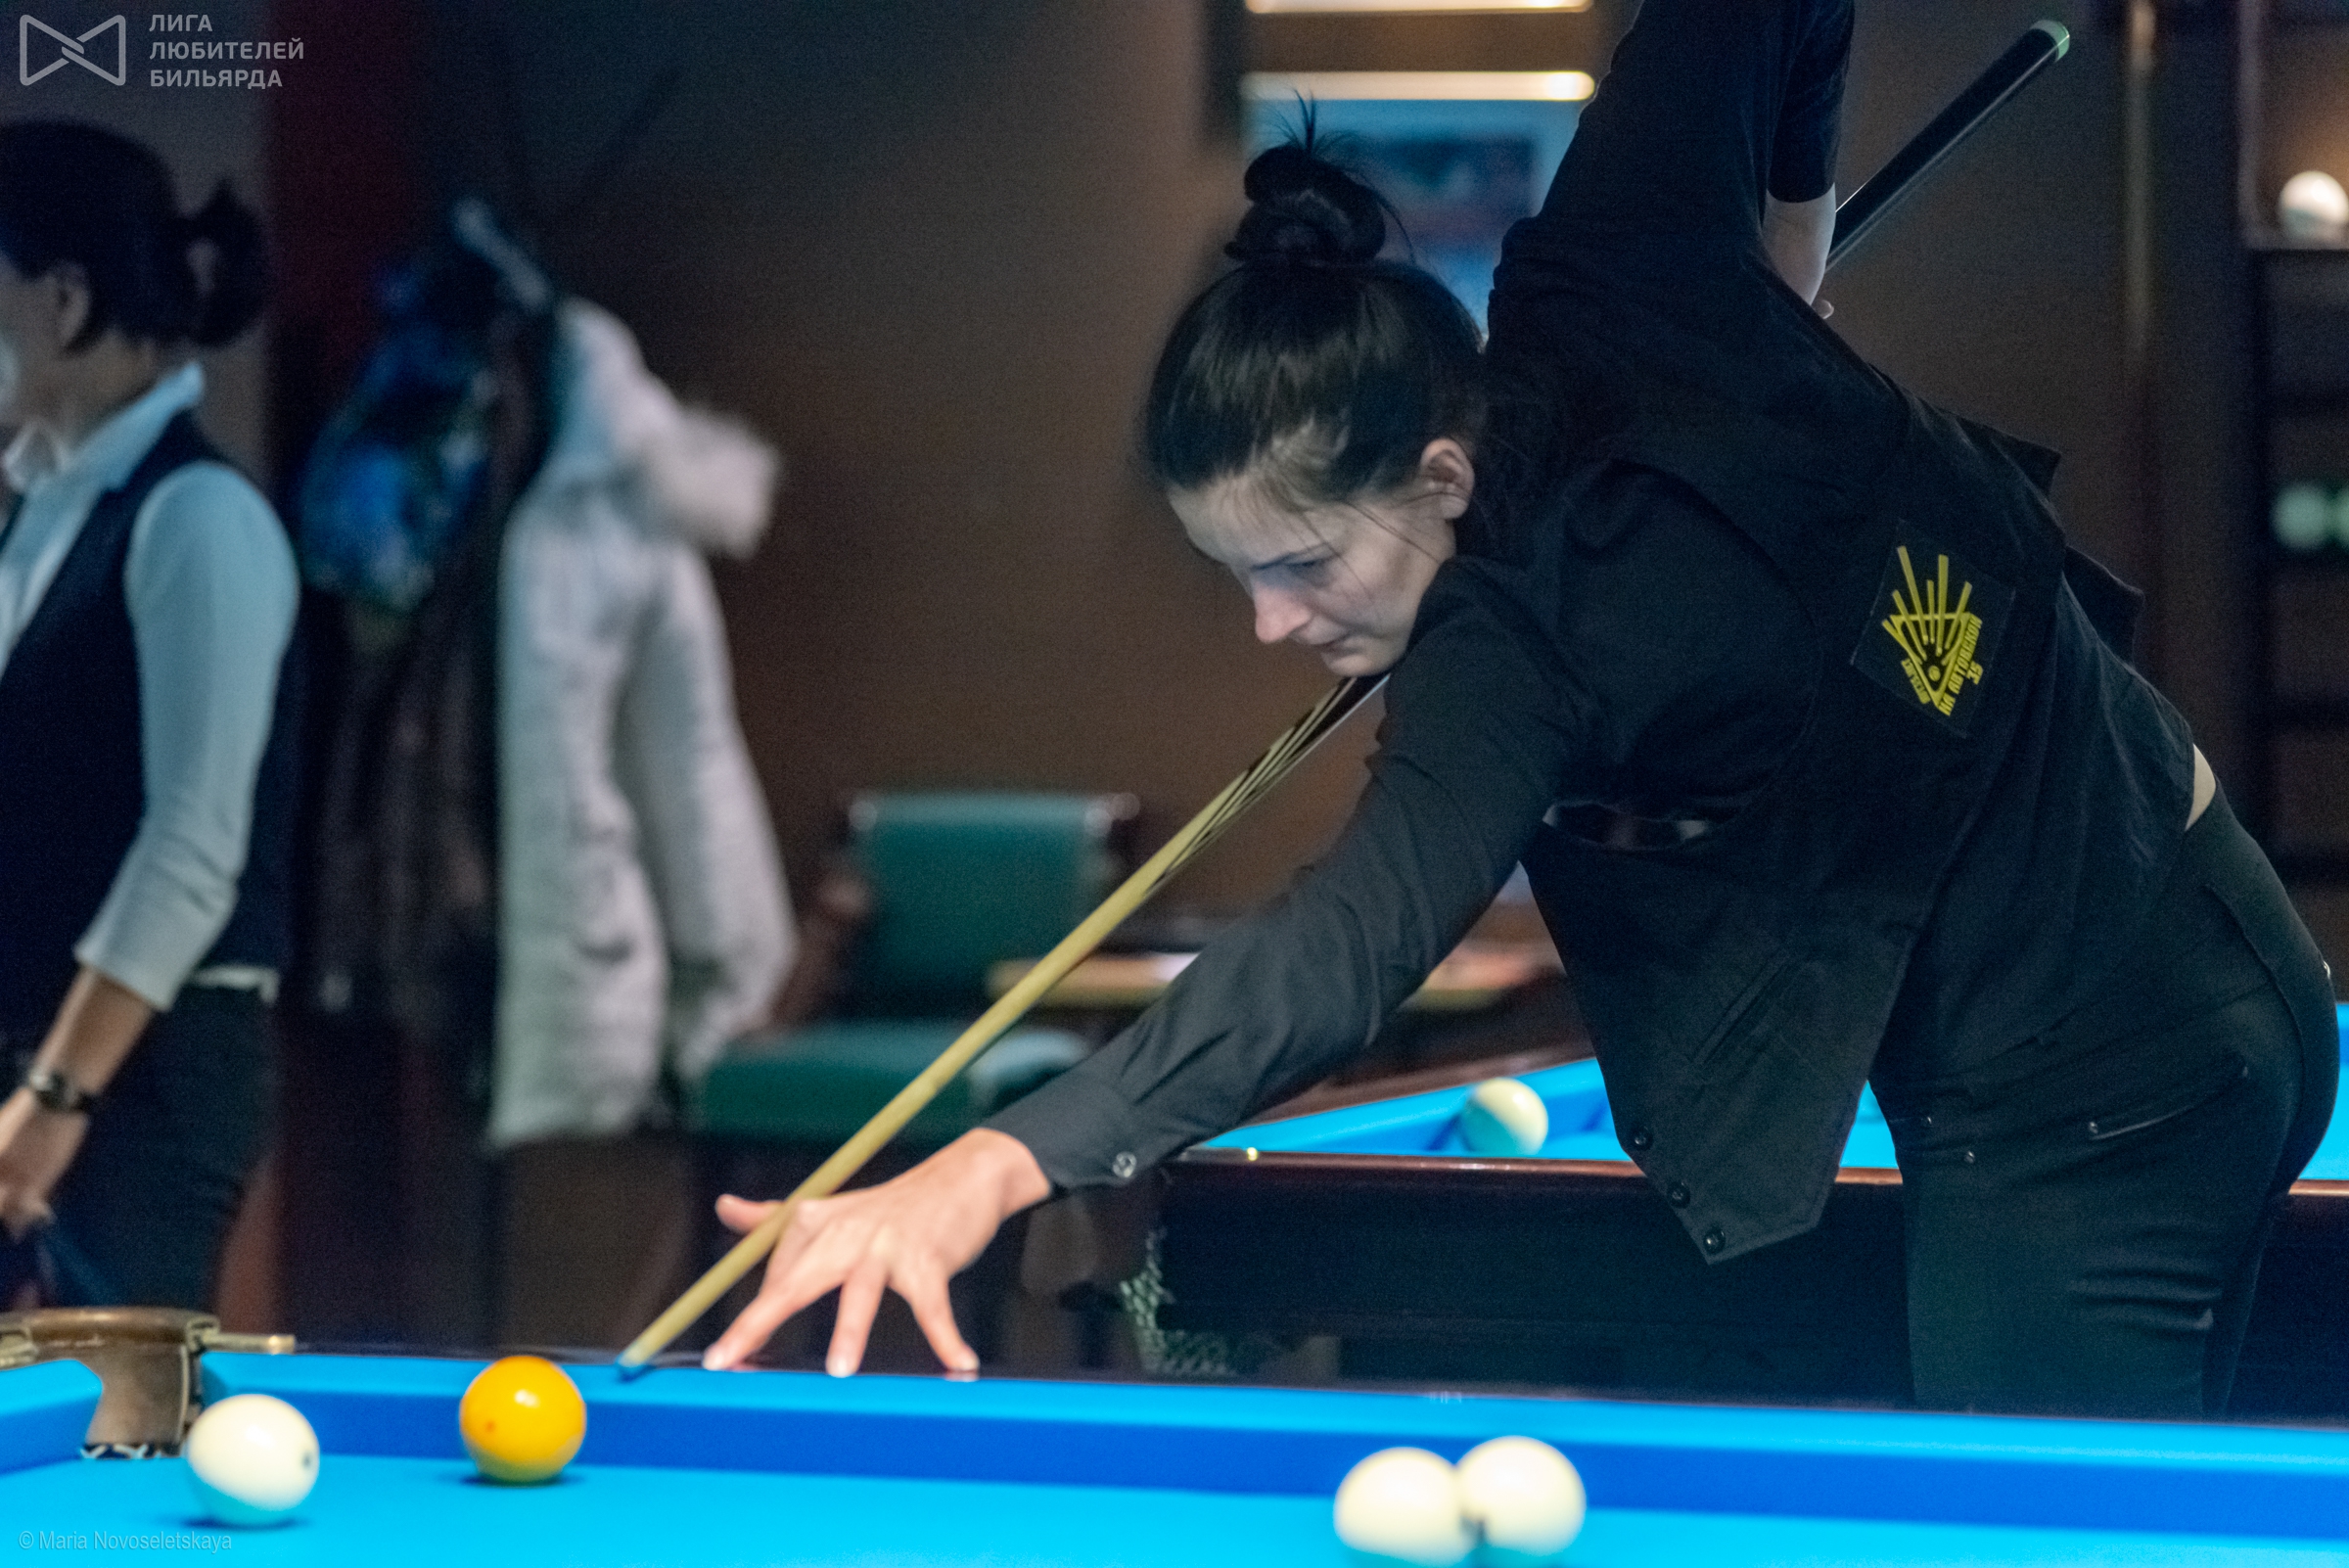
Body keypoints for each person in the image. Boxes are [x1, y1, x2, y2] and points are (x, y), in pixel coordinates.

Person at [702, 0, 2338, 1418]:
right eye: (1237, 578)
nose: (1275, 623)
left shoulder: (1504, 635)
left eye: (1303, 562)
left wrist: (986, 1165)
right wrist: (1766, 281)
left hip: (2090, 1083)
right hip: (2203, 949)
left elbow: (1342, 942)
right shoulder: (1626, 258)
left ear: (1440, 472)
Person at [0, 122, 294, 1311]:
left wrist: (55, 1096)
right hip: (34, 1047)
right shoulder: (38, 509)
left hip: (145, 1073)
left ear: (64, 302)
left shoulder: (199, 518)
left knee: (113, 1417)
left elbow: (190, 847)